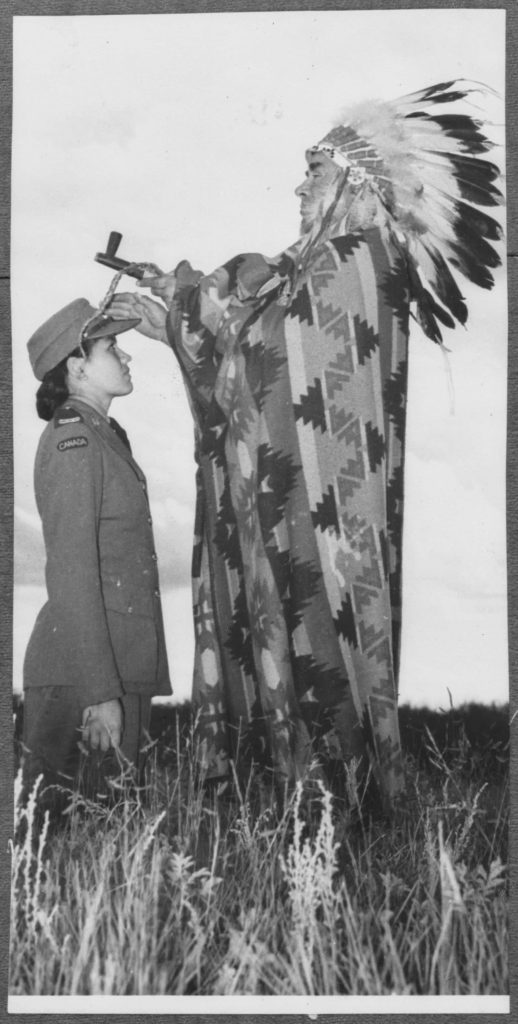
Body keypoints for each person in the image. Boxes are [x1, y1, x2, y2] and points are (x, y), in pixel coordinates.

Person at [109, 80, 503, 810]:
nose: (298, 184)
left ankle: (333, 824)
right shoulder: (326, 262)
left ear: (356, 184)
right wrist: (177, 299)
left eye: (314, 170)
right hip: (295, 507)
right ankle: (302, 820)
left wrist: (178, 315)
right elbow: (253, 315)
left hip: (327, 530)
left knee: (323, 651)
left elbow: (264, 344)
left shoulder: (357, 260)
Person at [23, 298, 172, 814]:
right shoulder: (75, 441)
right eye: (112, 347)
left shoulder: (102, 437)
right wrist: (98, 692)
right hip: (84, 676)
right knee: (49, 850)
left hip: (114, 666)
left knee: (107, 846)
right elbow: (72, 571)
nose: (126, 357)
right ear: (77, 365)